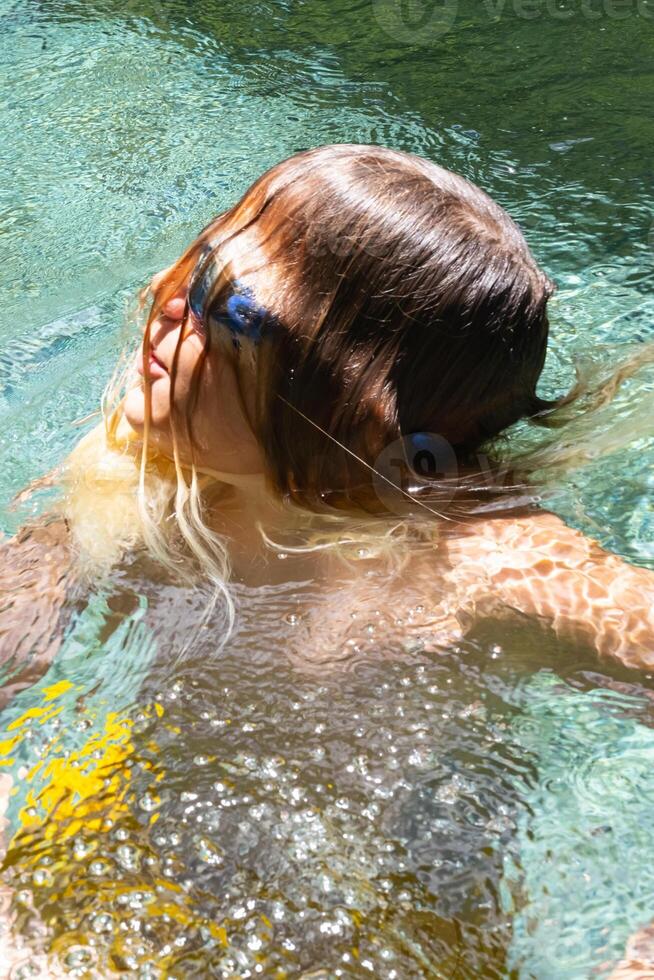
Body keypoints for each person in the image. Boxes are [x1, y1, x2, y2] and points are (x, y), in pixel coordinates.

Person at [0, 141, 653, 975]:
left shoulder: (481, 561)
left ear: (360, 409)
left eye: (228, 309)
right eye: (201, 263)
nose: (167, 304)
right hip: (145, 880)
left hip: (366, 940)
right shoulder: (155, 466)